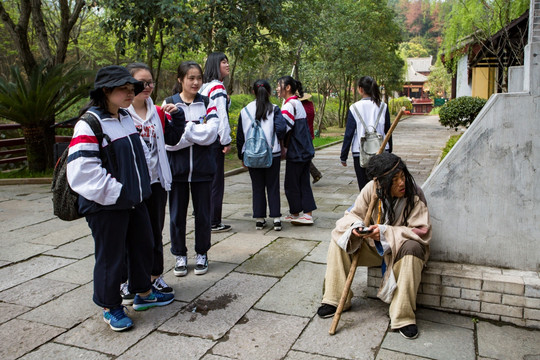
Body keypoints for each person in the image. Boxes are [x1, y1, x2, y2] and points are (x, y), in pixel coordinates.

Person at [66, 65, 175, 332]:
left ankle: (144, 293)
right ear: (106, 91)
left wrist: (136, 192)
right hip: (107, 206)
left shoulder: (125, 117)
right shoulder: (89, 123)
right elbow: (82, 172)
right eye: (124, 89)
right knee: (111, 256)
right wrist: (118, 193)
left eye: (132, 89)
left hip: (133, 201)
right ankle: (110, 306)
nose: (131, 94)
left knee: (142, 245)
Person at [317, 153, 431, 340]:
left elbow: (421, 231)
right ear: (382, 182)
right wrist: (356, 229)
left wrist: (386, 232)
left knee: (413, 249)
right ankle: (336, 299)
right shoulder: (371, 189)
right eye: (394, 180)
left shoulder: (414, 194)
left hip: (399, 251)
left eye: (402, 176)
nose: (401, 183)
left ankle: (403, 317)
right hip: (373, 248)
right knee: (339, 239)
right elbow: (352, 215)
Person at [118, 62, 185, 304]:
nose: (147, 87)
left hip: (156, 181)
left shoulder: (157, 111)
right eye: (141, 83)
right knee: (130, 234)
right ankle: (126, 281)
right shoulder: (121, 114)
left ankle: (154, 276)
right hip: (132, 184)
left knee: (155, 232)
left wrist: (177, 118)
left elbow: (172, 140)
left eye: (150, 82)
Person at [165, 61, 219, 277]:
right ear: (180, 79)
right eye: (191, 78)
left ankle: (202, 253)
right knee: (177, 216)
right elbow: (169, 142)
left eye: (199, 78)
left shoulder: (208, 103)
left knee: (204, 215)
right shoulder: (169, 103)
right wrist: (196, 131)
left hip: (202, 171)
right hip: (177, 171)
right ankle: (179, 254)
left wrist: (184, 129)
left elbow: (212, 134)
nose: (196, 82)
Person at [236, 79, 287, 231]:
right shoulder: (275, 109)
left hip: (251, 155)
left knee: (257, 186)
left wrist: (241, 156)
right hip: (273, 153)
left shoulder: (244, 111)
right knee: (273, 185)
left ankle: (259, 219)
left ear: (253, 92)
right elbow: (281, 129)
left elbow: (239, 137)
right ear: (269, 92)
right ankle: (276, 218)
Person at [276, 75, 317, 225]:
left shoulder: (289, 105)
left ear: (287, 87)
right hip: (304, 149)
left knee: (293, 183)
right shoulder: (296, 103)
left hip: (297, 151)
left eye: (279, 85)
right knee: (301, 181)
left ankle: (305, 214)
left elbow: (284, 129)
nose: (276, 88)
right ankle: (298, 213)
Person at [340, 76, 392, 191]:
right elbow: (388, 130)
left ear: (360, 89)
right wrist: (390, 149)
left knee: (364, 190)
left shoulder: (354, 108)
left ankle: (367, 209)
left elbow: (349, 134)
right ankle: (381, 209)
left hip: (360, 153)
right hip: (382, 151)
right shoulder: (383, 106)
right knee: (381, 188)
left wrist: (343, 156)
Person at [200, 52, 232, 233]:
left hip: (204, 139)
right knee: (216, 182)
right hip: (215, 141)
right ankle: (214, 221)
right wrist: (226, 140)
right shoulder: (218, 88)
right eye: (223, 62)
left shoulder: (205, 87)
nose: (227, 65)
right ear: (215, 65)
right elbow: (221, 117)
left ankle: (204, 216)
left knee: (207, 181)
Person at [298, 93, 323, 184]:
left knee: (302, 156)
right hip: (310, 133)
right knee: (305, 155)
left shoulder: (300, 107)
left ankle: (315, 173)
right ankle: (314, 174)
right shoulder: (310, 105)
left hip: (302, 135)